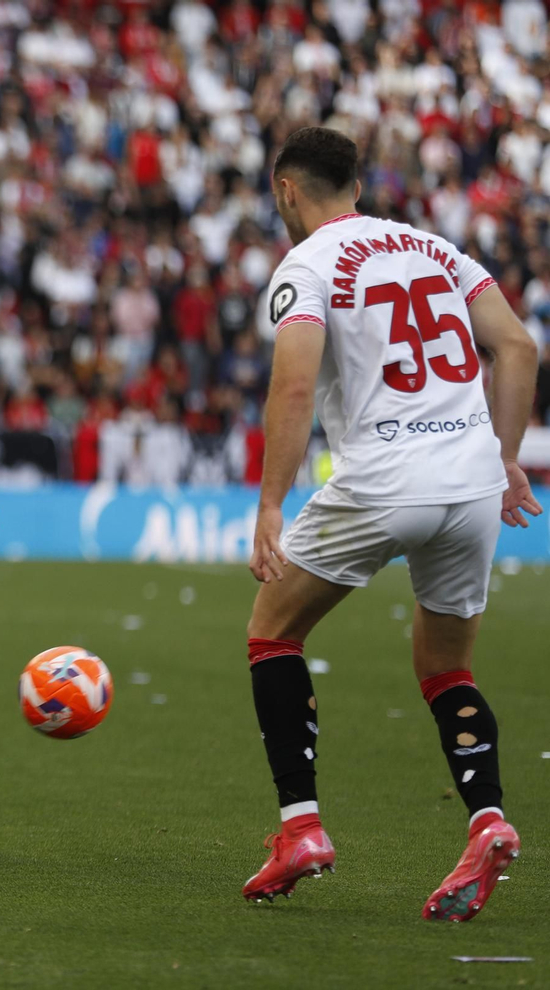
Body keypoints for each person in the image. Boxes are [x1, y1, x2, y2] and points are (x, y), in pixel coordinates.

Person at [242, 127, 540, 920]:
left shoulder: (305, 265)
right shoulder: (437, 249)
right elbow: (516, 348)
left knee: (273, 633)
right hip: (472, 480)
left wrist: (272, 503)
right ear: (359, 185)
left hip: (384, 477)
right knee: (447, 668)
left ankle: (299, 827)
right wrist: (504, 458)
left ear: (286, 192)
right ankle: (488, 820)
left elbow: (293, 389)